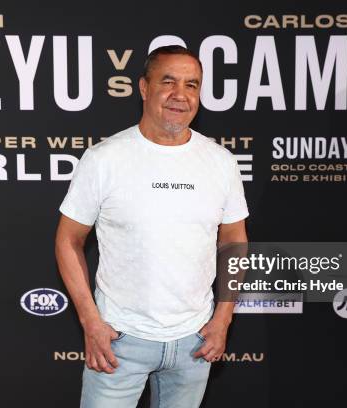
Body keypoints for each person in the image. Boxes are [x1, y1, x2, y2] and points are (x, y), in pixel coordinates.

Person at [55, 45, 249, 408]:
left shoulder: (221, 162)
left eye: (192, 85)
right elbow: (68, 239)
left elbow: (234, 241)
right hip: (119, 340)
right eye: (169, 82)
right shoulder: (104, 159)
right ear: (144, 88)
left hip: (195, 341)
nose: (180, 95)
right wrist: (91, 322)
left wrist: (223, 317)